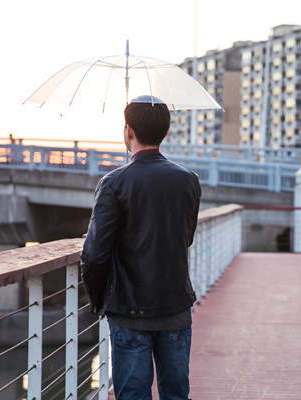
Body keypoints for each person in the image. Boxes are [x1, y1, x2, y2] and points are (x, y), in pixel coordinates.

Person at [80, 96, 201, 400]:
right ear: (165, 132)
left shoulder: (114, 183)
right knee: (176, 394)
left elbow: (95, 253)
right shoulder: (188, 180)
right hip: (175, 305)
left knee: (132, 395)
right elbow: (185, 237)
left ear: (128, 131)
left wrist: (97, 300)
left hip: (128, 309)